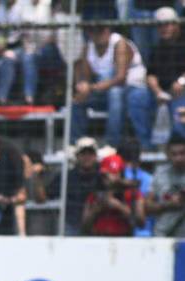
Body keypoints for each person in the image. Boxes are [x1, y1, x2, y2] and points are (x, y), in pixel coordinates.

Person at [71, 24, 151, 148]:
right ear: (89, 33)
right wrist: (83, 86)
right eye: (93, 31)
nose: (98, 34)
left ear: (108, 30)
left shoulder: (119, 43)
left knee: (115, 93)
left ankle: (112, 144)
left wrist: (91, 87)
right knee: (77, 100)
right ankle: (76, 144)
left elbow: (121, 78)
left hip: (132, 87)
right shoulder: (88, 47)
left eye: (101, 30)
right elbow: (84, 75)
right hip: (104, 90)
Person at [146, 7, 185, 143]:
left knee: (179, 110)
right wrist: (158, 92)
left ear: (176, 25)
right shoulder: (157, 47)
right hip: (162, 93)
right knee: (138, 98)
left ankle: (180, 147)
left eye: (167, 24)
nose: (164, 28)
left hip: (181, 91)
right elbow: (150, 74)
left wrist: (181, 81)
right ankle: (148, 145)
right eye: (160, 25)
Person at [81, 153, 142, 236]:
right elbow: (84, 228)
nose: (107, 178)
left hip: (124, 239)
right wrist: (96, 210)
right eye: (104, 175)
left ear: (120, 174)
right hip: (99, 239)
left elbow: (140, 223)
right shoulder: (95, 195)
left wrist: (119, 206)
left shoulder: (131, 194)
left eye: (112, 173)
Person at [146, 135, 185, 237]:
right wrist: (167, 204)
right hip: (163, 235)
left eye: (182, 153)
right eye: (174, 154)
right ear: (168, 154)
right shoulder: (160, 174)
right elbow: (148, 206)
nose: (178, 158)